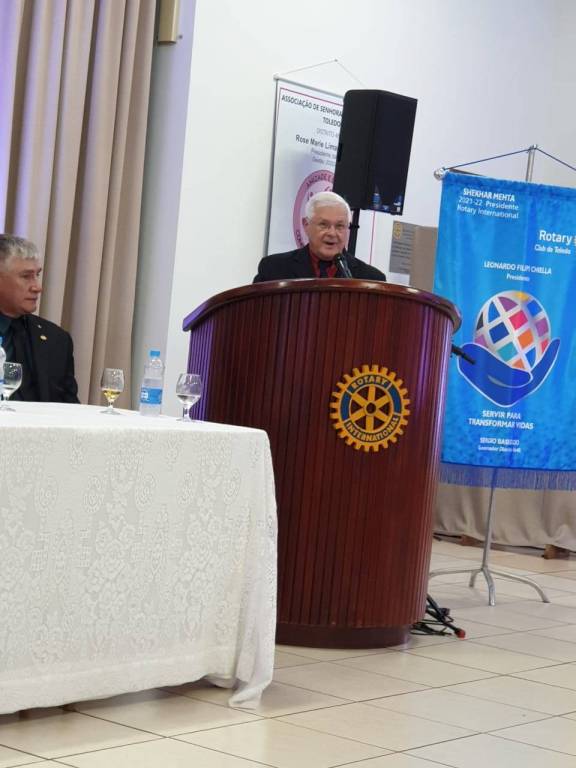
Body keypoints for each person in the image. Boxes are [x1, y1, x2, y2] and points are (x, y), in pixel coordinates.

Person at [0, 234, 79, 403]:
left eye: (37, 275)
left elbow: (69, 406)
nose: (37, 287)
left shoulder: (57, 340)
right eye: (26, 276)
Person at [254, 191, 387, 282]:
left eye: (340, 226)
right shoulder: (273, 269)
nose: (332, 233)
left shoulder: (371, 279)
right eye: (323, 225)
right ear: (306, 225)